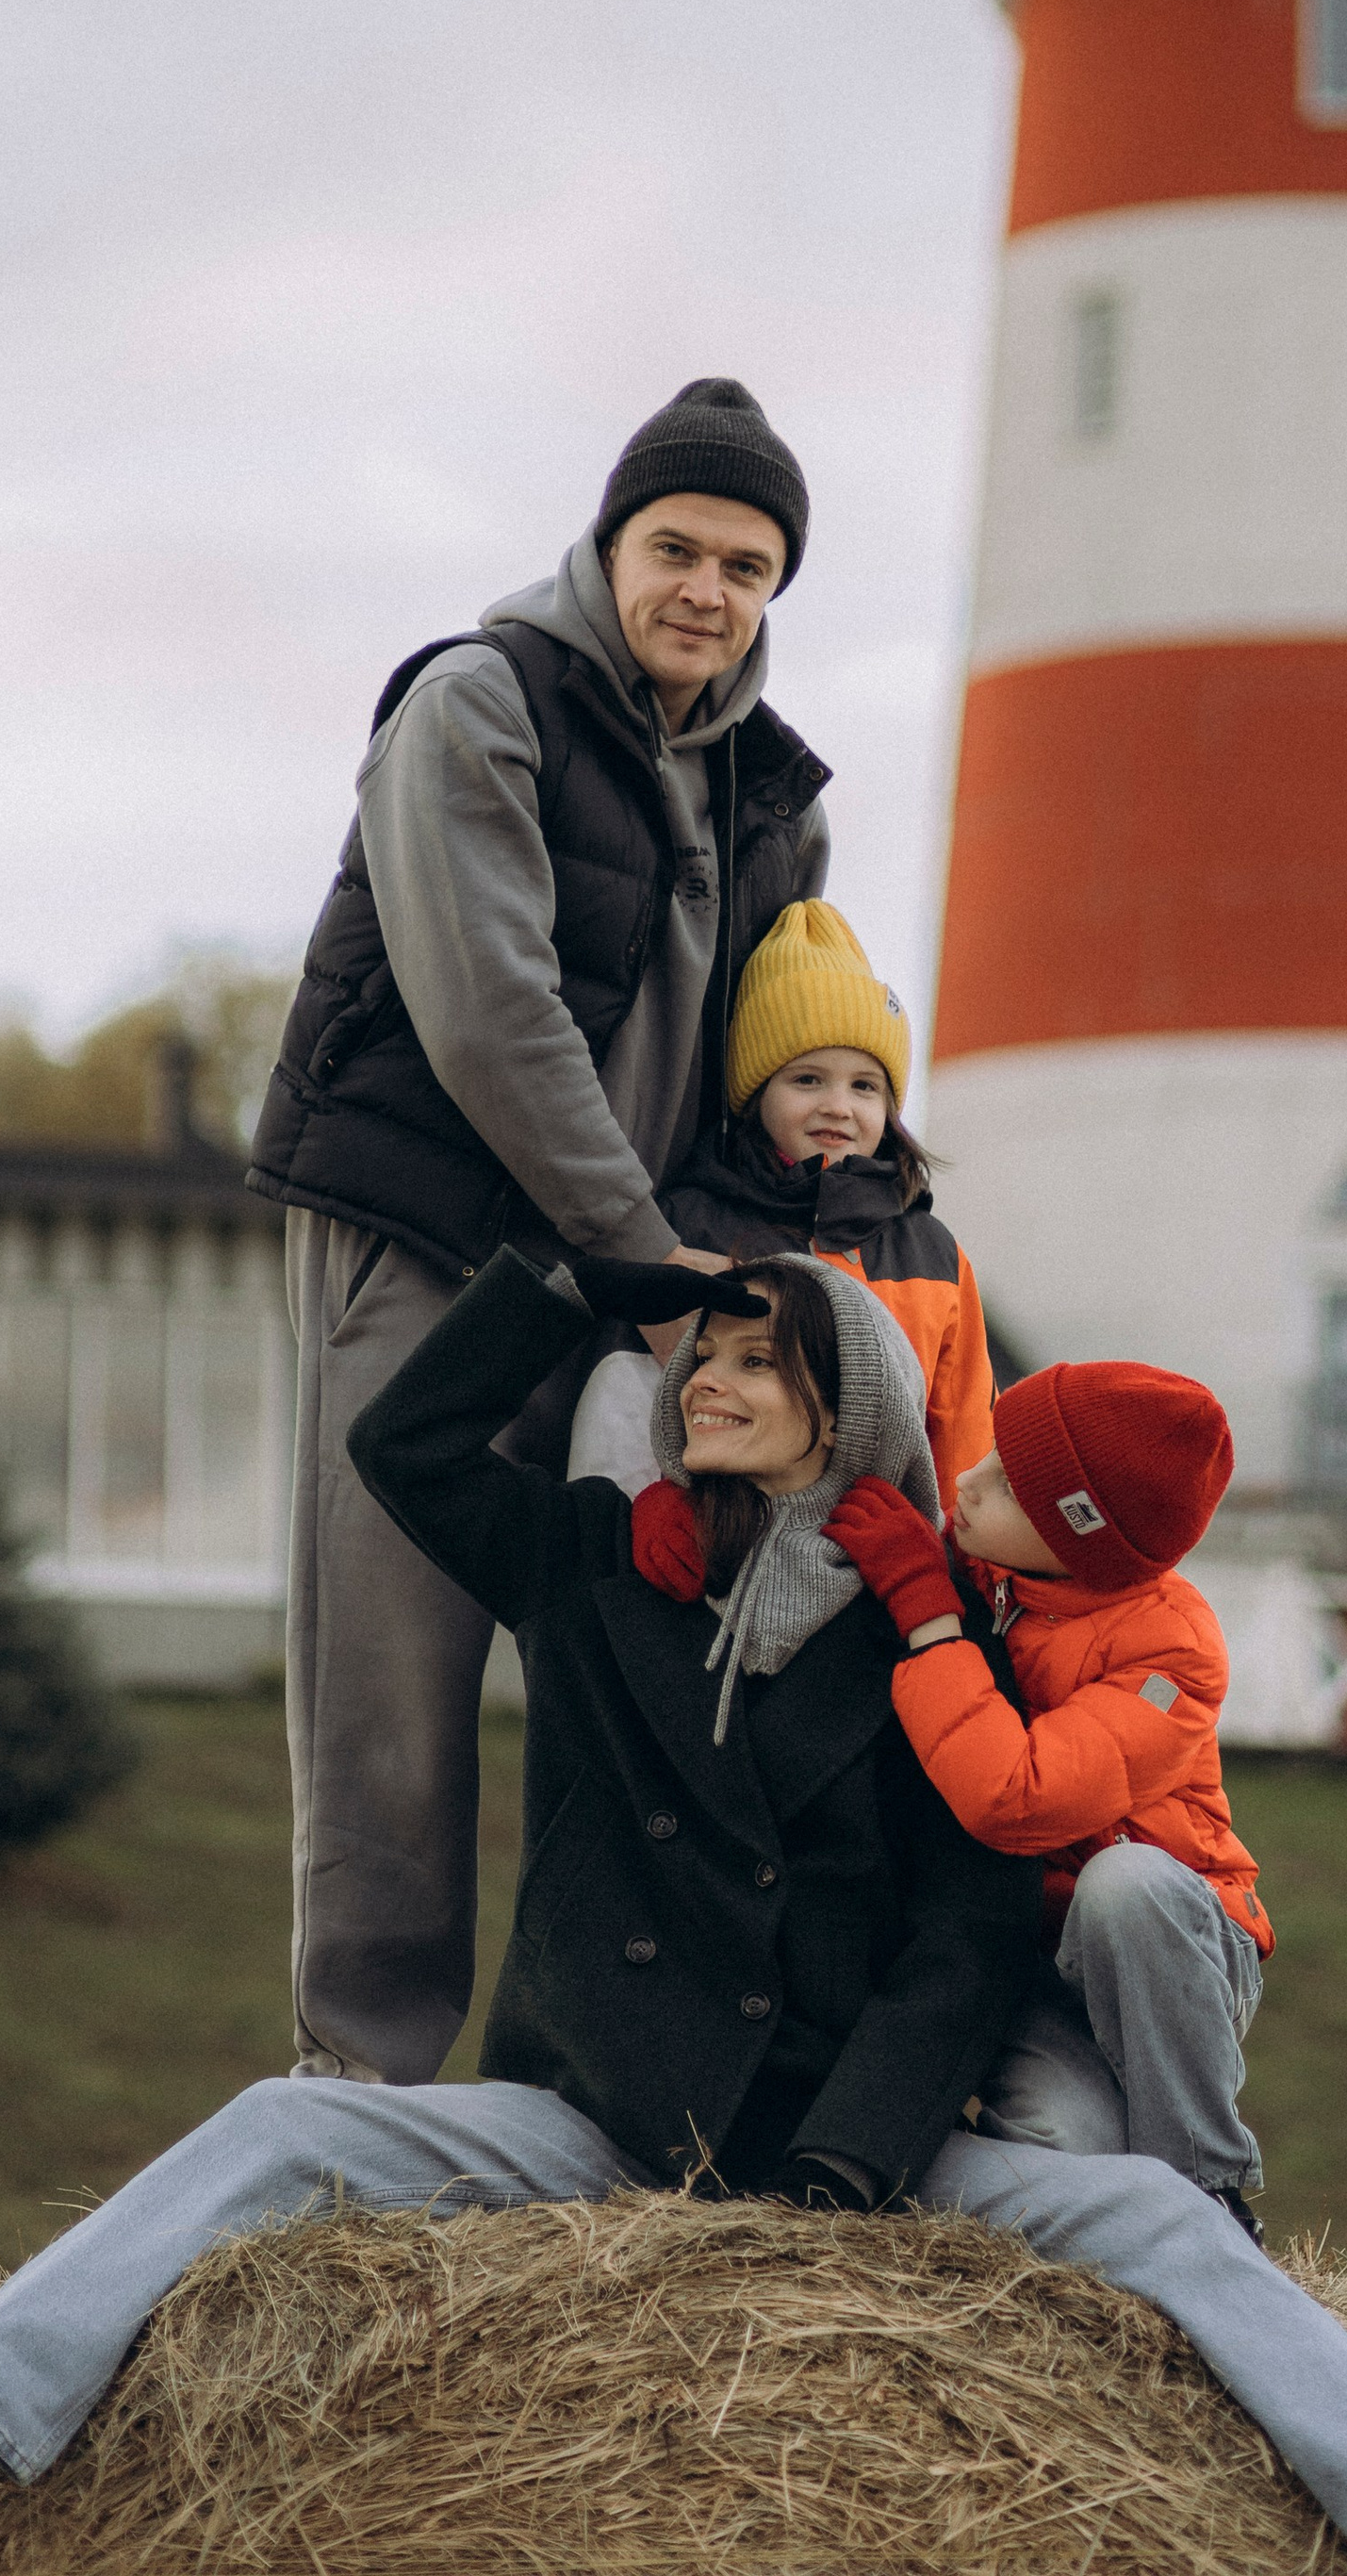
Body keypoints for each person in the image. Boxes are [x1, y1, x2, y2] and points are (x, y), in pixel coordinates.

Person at [0, 1253, 1347, 2576]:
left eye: (755, 1361)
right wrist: (578, 1284)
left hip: (854, 2143)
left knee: (1161, 2221)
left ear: (848, 1410)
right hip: (604, 2111)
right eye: (698, 1358)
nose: (707, 1381)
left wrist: (847, 2161)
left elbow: (970, 1936)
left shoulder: (935, 1642)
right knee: (288, 2123)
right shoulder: (595, 1566)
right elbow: (400, 1447)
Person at [245, 374, 830, 2081]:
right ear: (610, 542)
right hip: (431, 1257)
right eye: (677, 548)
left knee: (636, 1679)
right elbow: (491, 1014)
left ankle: (594, 2087)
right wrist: (645, 1259)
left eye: (746, 565)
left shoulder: (777, 797)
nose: (706, 590)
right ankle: (363, 2085)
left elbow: (777, 1067)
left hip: (642, 1291)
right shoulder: (476, 705)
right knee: (393, 1695)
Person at [823, 1352, 1272, 2225]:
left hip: (1167, 1950)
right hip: (1031, 1959)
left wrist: (931, 1622)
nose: (967, 1481)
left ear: (1080, 1540)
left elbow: (1015, 1797)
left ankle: (1207, 2198)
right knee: (1059, 2162)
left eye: (1008, 1486)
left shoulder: (1174, 1651)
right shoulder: (985, 1567)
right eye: (991, 1453)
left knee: (1125, 1883)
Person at [568, 899, 994, 1508]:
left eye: (865, 1086)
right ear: (757, 1092)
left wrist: (954, 1560)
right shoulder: (689, 1225)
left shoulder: (934, 1253)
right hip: (721, 1540)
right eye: (807, 1079)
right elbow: (626, 1402)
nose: (838, 1106)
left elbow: (964, 1439)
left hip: (882, 1551)